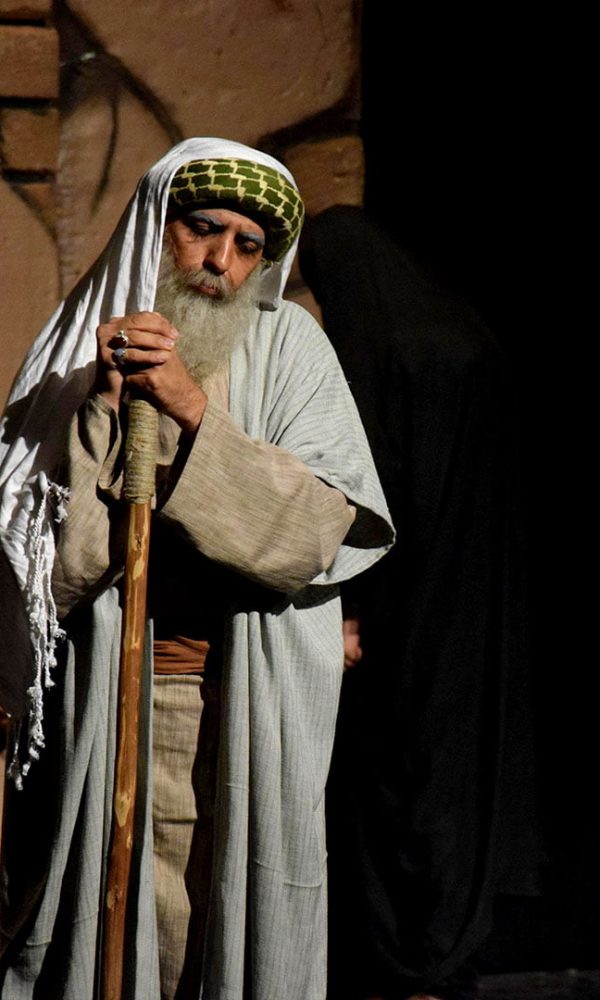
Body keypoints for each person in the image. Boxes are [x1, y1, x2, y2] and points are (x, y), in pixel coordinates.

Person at [0, 142, 393, 1000]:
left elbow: (315, 531)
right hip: (112, 696)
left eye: (249, 246)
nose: (221, 261)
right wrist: (103, 415)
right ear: (157, 229)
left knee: (214, 935)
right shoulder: (80, 346)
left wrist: (188, 409)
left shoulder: (292, 348)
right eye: (203, 229)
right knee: (111, 931)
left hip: (245, 694)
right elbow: (46, 578)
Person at [299, 206, 538, 1000]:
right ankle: (448, 939)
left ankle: (409, 953)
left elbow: (375, 487)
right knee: (458, 759)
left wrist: (353, 606)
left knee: (398, 766)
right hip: (480, 590)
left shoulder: (376, 346)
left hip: (406, 599)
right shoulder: (464, 335)